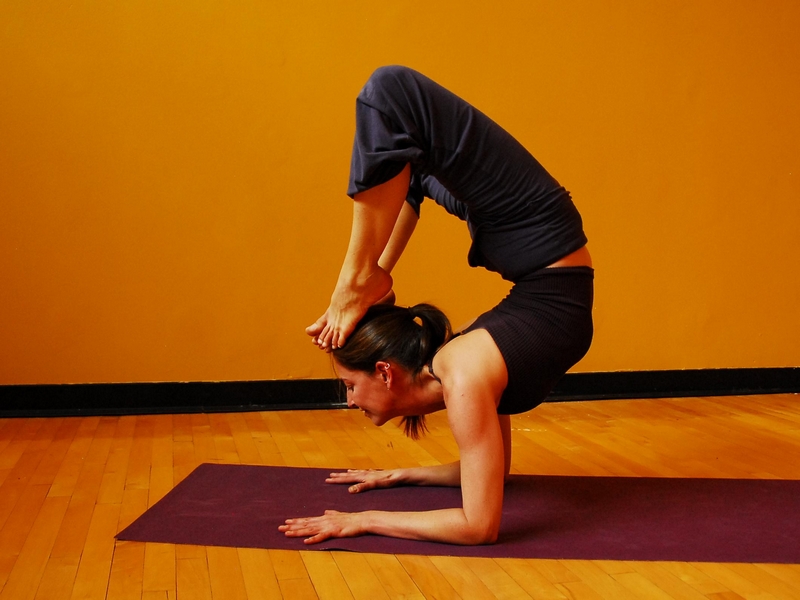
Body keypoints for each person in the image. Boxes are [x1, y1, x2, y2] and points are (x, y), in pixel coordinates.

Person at [281, 66, 594, 545]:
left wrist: (362, 519)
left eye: (348, 384)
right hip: (537, 246)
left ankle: (364, 275)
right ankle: (372, 272)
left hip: (535, 236)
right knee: (411, 163)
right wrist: (401, 476)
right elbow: (496, 470)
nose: (347, 399)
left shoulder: (463, 369)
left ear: (385, 372)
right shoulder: (464, 369)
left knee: (391, 93)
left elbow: (478, 525)